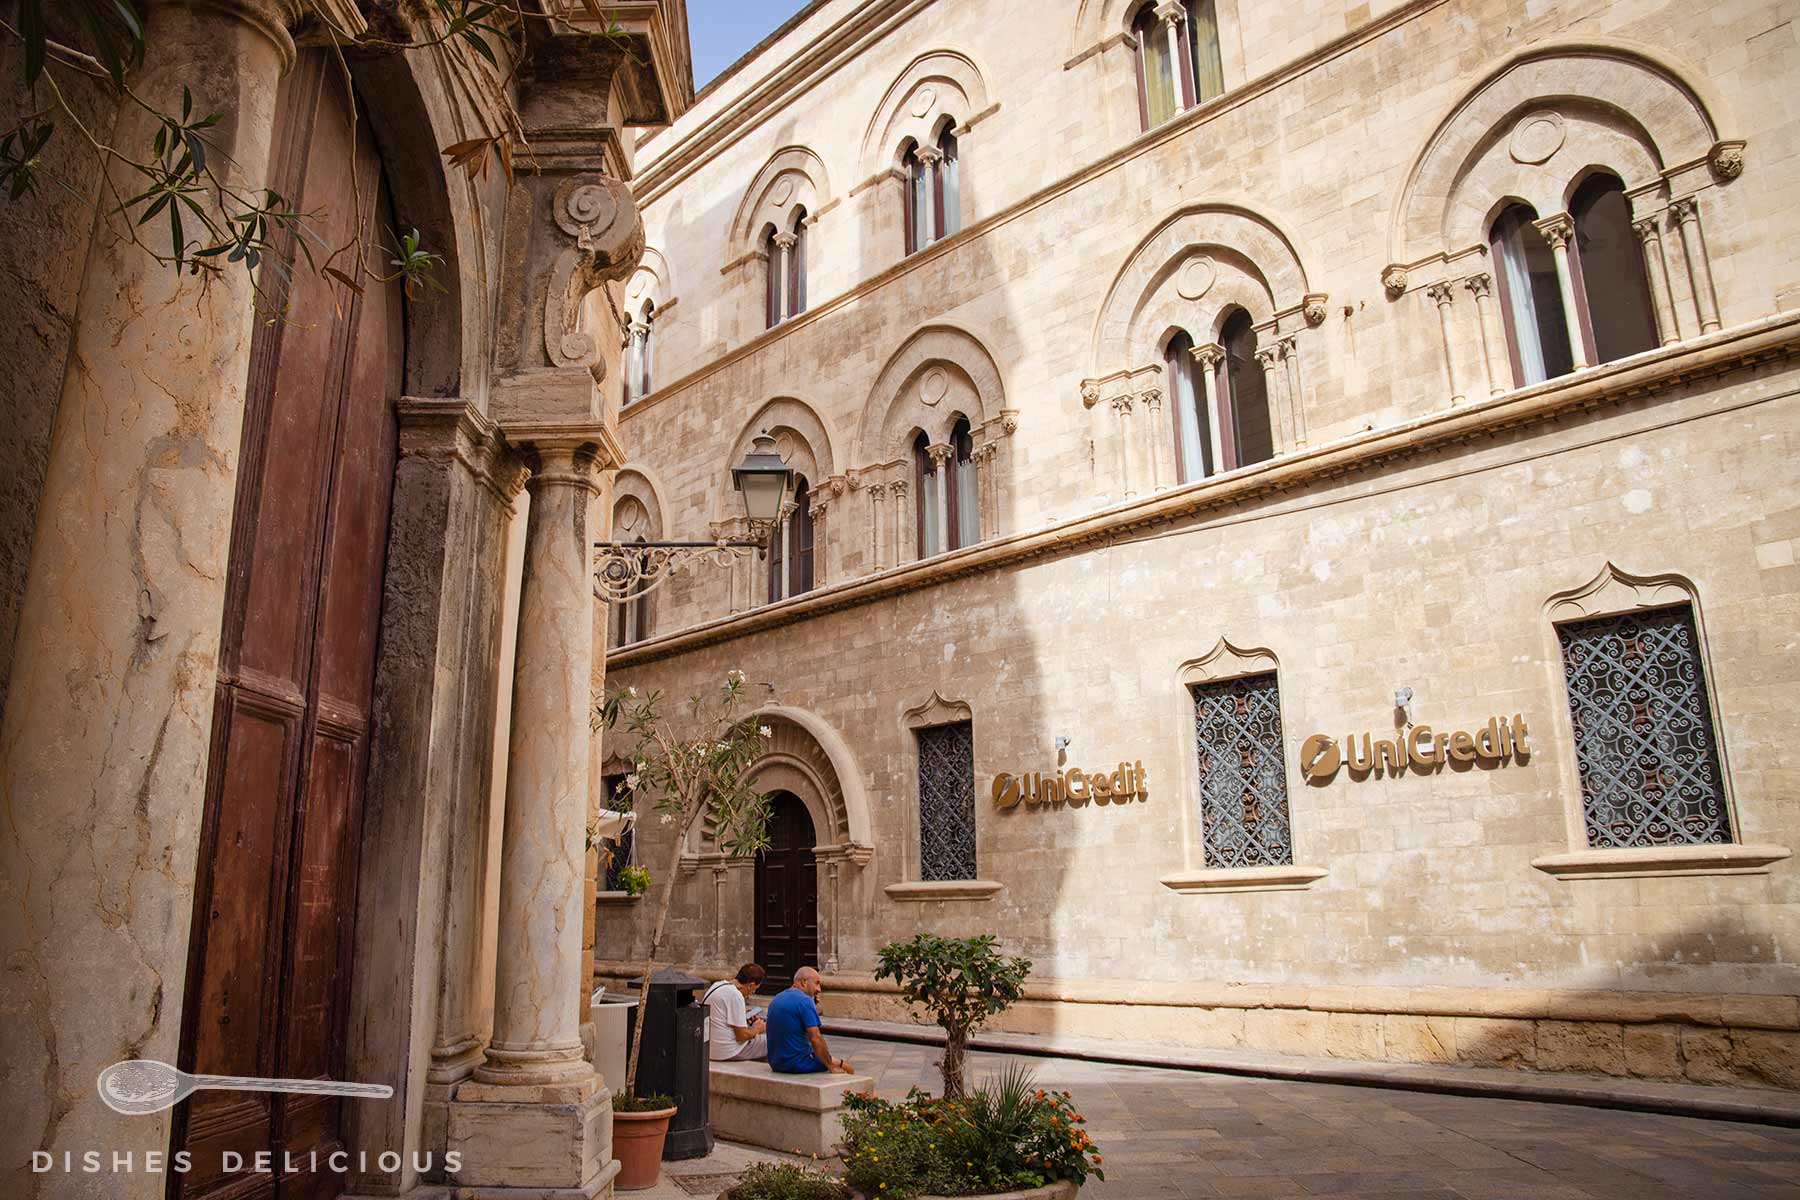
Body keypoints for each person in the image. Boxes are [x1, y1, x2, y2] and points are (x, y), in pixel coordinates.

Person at [764, 966, 854, 1075]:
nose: (819, 989)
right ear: (804, 982)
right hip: (797, 1063)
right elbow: (815, 1038)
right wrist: (830, 1066)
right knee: (846, 1067)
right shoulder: (804, 1001)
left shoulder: (777, 998)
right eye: (817, 983)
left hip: (776, 1063)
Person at [703, 963, 768, 1062]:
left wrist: (742, 1013)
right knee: (774, 1041)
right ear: (751, 985)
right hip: (727, 1051)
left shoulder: (718, 985)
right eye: (755, 989)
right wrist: (757, 1029)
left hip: (710, 1049)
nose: (752, 993)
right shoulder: (735, 995)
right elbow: (741, 1036)